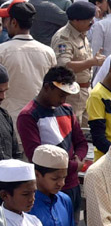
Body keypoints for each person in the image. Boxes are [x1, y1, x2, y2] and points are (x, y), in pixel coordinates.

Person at [16, 65, 88, 208]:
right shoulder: (28, 116)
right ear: (48, 87)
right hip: (48, 191)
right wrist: (74, 165)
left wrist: (78, 159)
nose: (63, 100)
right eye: (61, 95)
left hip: (72, 186)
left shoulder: (67, 109)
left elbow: (81, 142)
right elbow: (36, 156)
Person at [0, 1, 56, 118]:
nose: (5, 25)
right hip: (39, 118)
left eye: (7, 21)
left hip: (9, 118)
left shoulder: (2, 51)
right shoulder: (48, 52)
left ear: (14, 22)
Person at [51, 0, 103, 118]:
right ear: (76, 21)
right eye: (88, 21)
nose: (92, 23)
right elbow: (64, 66)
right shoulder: (64, 38)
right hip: (72, 94)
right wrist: (92, 62)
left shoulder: (81, 33)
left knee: (86, 131)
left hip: (85, 90)